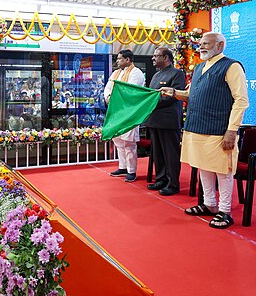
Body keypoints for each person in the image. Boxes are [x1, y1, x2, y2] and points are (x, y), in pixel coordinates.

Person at [161, 31, 248, 229]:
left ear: (220, 46)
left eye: (207, 43)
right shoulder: (200, 67)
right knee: (204, 167)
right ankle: (209, 204)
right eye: (201, 43)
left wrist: (232, 130)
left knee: (222, 171)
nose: (202, 47)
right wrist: (174, 93)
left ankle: (225, 211)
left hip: (219, 130)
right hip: (196, 128)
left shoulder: (231, 66)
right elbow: (191, 95)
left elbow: (241, 100)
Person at [142, 47, 186, 196]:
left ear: (166, 57)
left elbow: (173, 96)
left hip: (168, 120)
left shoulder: (177, 74)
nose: (153, 58)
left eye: (156, 56)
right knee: (158, 153)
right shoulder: (156, 76)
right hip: (154, 120)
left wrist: (150, 102)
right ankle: (161, 179)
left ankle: (173, 183)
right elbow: (151, 95)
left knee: (171, 153)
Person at [104, 49, 145, 182]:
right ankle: (122, 167)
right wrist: (109, 97)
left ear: (127, 60)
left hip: (129, 112)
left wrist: (115, 98)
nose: (117, 61)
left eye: (120, 59)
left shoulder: (136, 73)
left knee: (129, 142)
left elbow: (130, 91)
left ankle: (131, 171)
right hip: (116, 111)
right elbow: (108, 88)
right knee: (118, 140)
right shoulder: (116, 73)